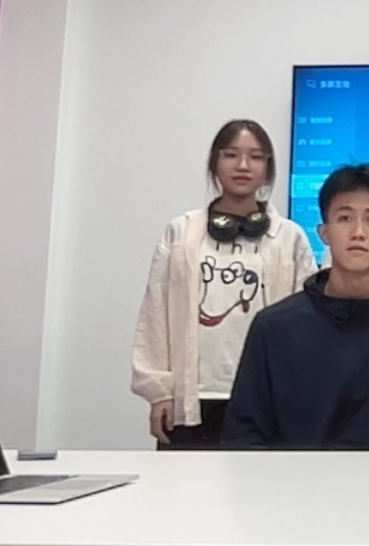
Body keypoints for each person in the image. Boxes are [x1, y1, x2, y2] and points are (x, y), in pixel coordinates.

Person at [222, 165, 369, 449]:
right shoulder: (274, 328)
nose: (358, 232)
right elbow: (245, 436)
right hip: (291, 478)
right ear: (324, 232)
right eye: (344, 218)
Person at [131, 119, 316, 450]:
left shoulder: (289, 237)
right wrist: (158, 392)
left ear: (268, 167)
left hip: (265, 398)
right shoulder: (181, 231)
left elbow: (308, 321)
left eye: (255, 157)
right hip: (192, 400)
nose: (243, 165)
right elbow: (155, 314)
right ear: (214, 163)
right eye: (231, 155)